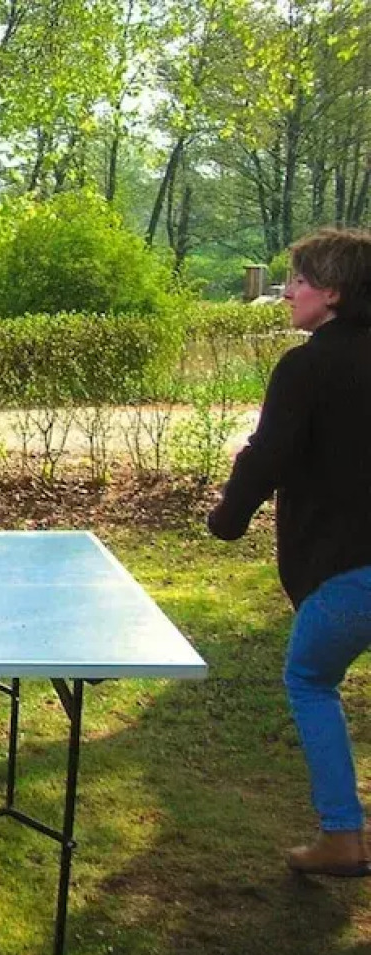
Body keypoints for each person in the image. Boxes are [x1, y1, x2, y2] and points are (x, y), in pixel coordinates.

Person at [208, 227, 371, 877]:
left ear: (330, 292)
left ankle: (341, 836)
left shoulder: (307, 366)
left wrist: (226, 520)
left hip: (346, 571)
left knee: (309, 679)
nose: (286, 294)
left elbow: (266, 455)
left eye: (297, 281)